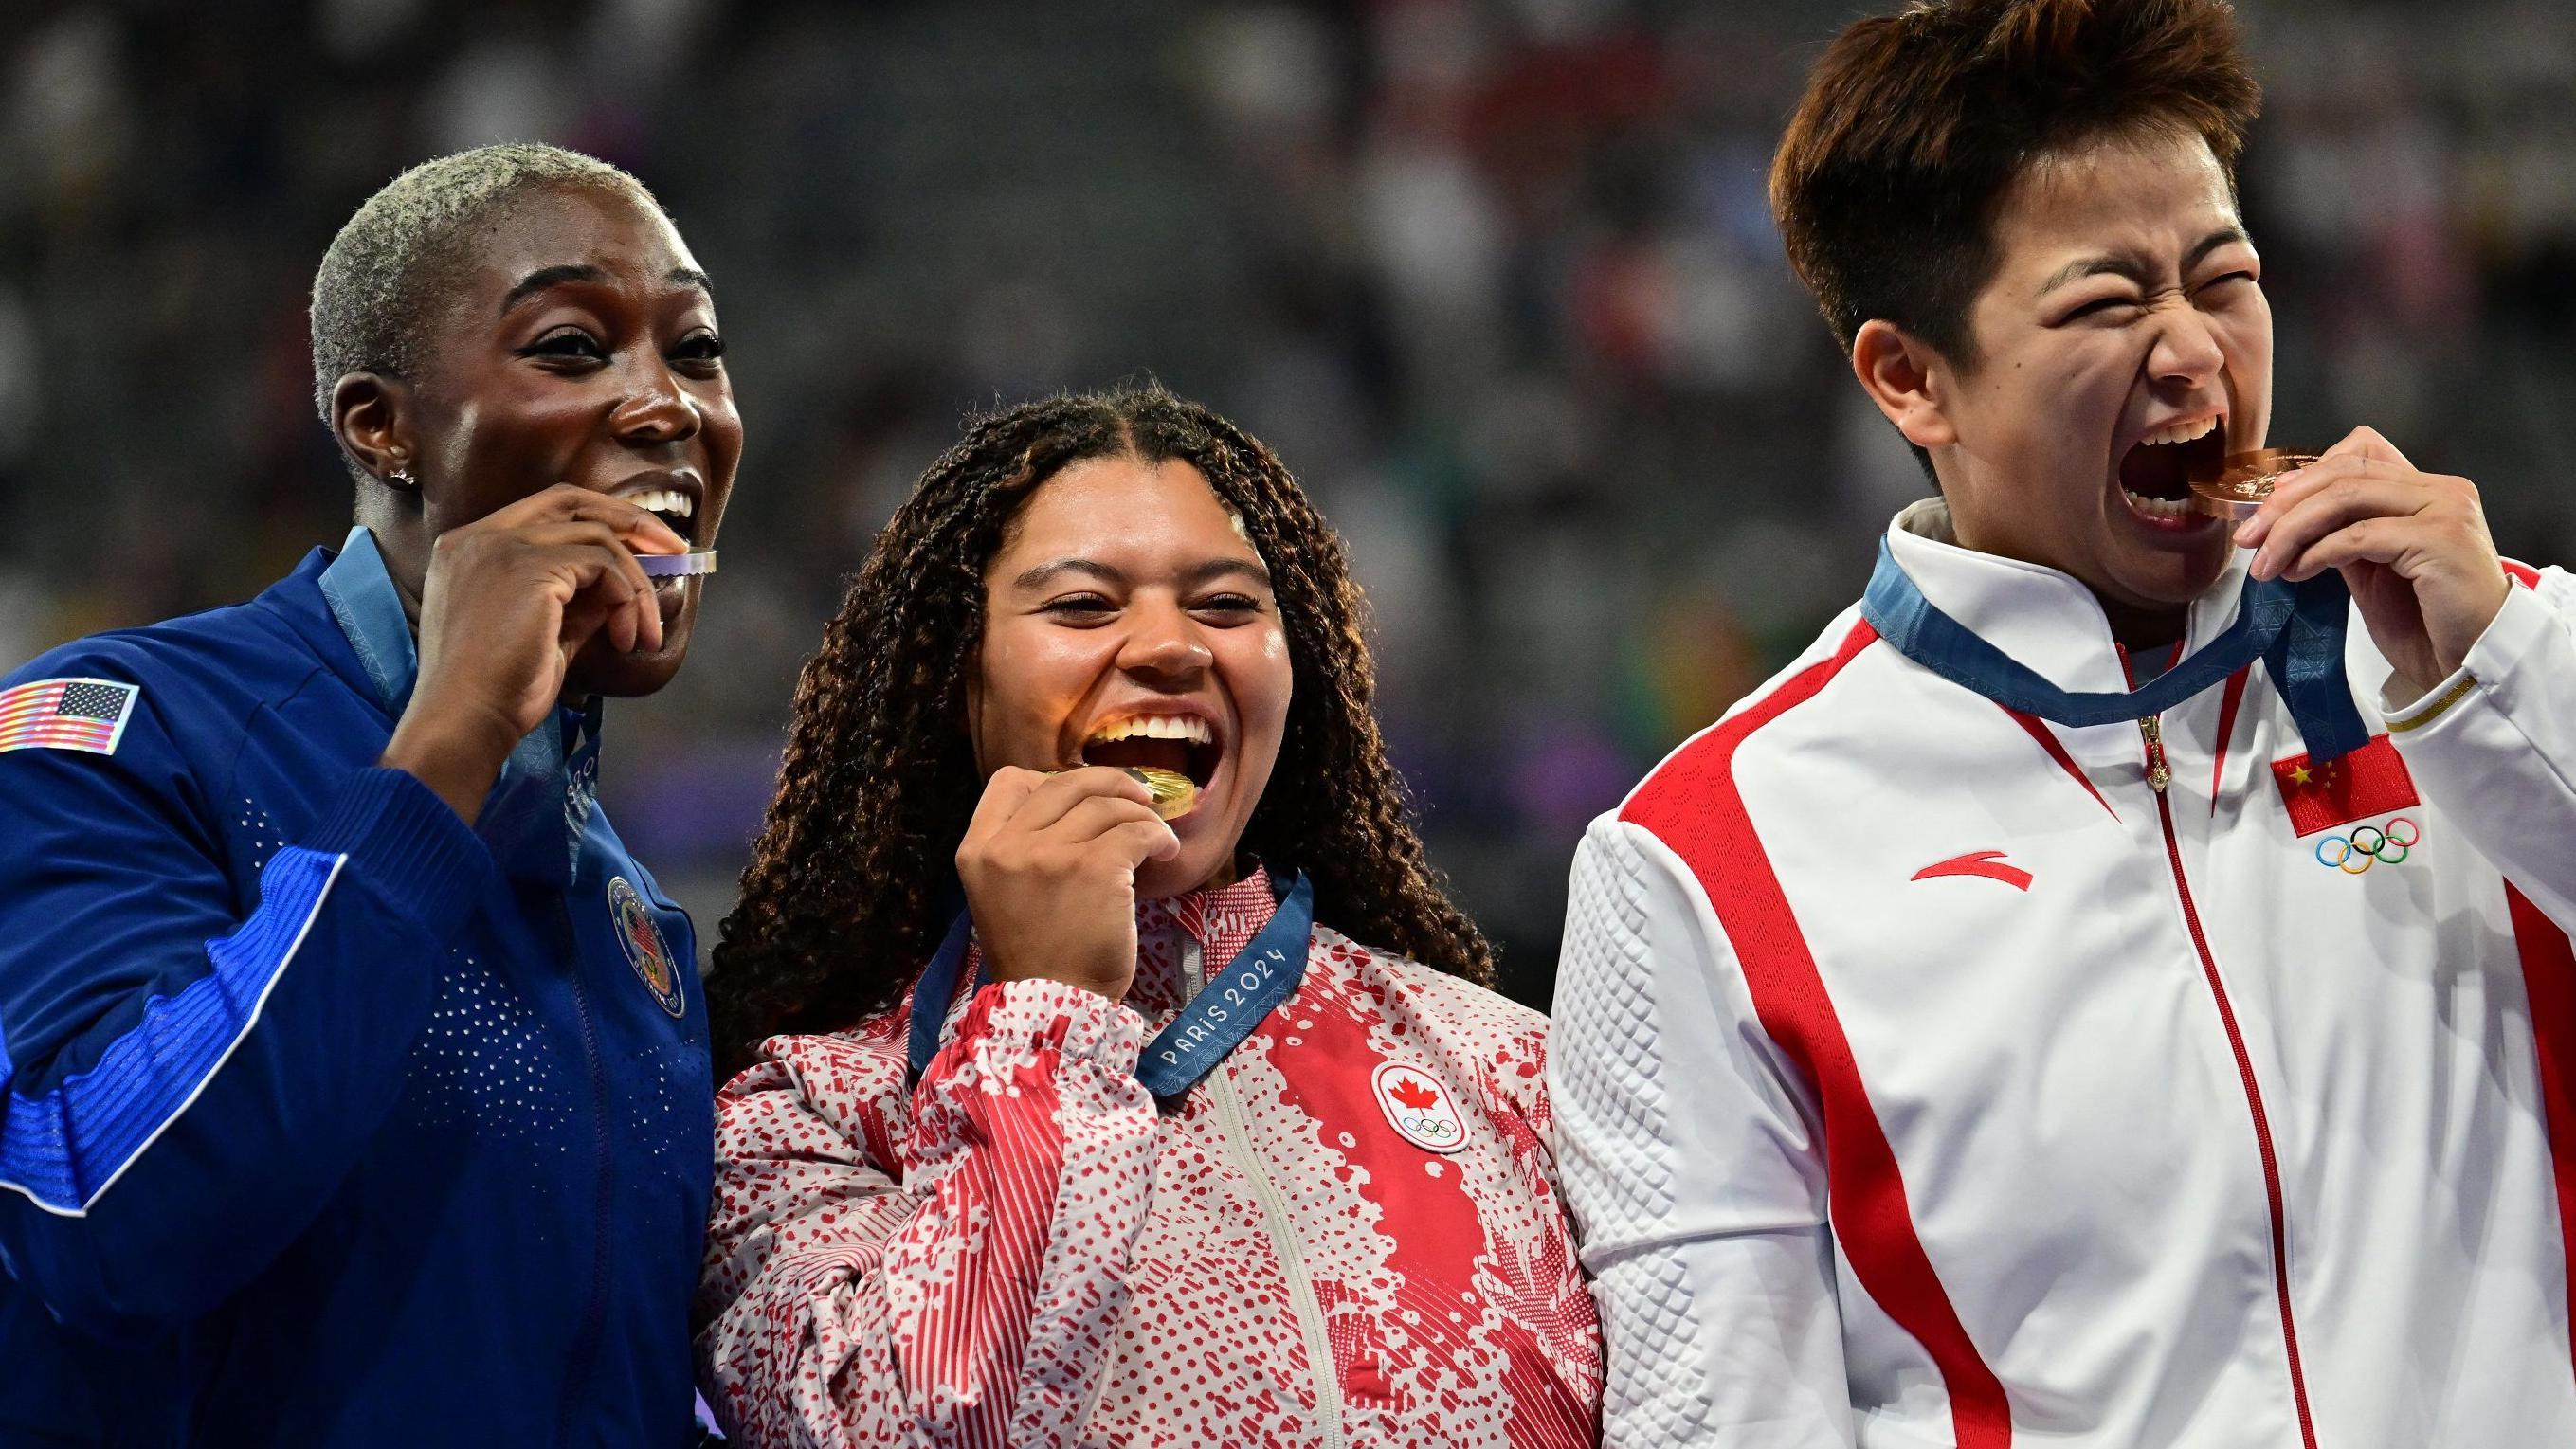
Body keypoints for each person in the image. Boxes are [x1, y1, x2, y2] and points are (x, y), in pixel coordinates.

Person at [1550, 1, 2576, 1444]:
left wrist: (2510, 676)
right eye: (2105, 301)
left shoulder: (2486, 660)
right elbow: (1717, 1418)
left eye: (2223, 278)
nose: (2193, 355)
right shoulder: (1703, 867)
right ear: (1909, 378)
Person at [693, 386, 1599, 1446]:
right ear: (957, 677)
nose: (1172, 647)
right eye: (1083, 605)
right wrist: (1046, 1013)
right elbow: (902, 1427)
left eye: (1226, 605)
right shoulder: (799, 1116)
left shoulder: (1519, 1074)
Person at [0, 143, 737, 1442]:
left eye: (695, 346)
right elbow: (96, 1208)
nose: (666, 402)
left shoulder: (631, 914)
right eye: (572, 345)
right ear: (377, 425)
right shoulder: (118, 733)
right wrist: (442, 745)